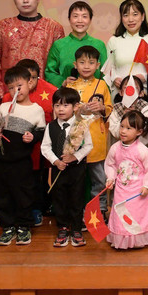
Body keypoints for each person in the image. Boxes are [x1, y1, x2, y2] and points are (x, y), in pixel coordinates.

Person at [0, 66, 46, 246]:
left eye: (20, 85)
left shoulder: (36, 110)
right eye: (12, 87)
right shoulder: (4, 107)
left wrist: (33, 137)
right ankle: (7, 226)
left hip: (21, 161)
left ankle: (23, 226)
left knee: (23, 193)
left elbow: (41, 132)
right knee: (1, 192)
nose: (16, 90)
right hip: (0, 160)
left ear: (30, 83)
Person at [0, 0, 64, 99]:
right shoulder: (2, 27)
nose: (25, 0)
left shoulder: (53, 28)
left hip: (44, 96)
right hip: (10, 95)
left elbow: (59, 65)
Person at [1, 58, 56, 226]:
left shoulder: (51, 92)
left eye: (32, 77)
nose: (28, 81)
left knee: (38, 180)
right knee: (18, 181)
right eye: (25, 77)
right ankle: (15, 210)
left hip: (39, 147)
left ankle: (39, 208)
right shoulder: (7, 99)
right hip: (15, 151)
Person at [41, 87, 92, 248]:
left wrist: (74, 157)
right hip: (58, 169)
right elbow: (45, 147)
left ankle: (76, 228)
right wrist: (56, 161)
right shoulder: (51, 126)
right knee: (59, 198)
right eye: (57, 105)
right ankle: (62, 227)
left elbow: (88, 146)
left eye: (65, 105)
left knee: (76, 198)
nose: (60, 109)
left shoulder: (81, 125)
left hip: (76, 170)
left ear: (76, 106)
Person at [105, 110, 148, 250]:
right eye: (122, 126)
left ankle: (136, 240)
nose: (123, 131)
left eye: (129, 128)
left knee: (136, 216)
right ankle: (121, 239)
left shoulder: (143, 151)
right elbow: (110, 164)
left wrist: (147, 186)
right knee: (120, 214)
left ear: (139, 132)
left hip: (137, 191)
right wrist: (110, 178)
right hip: (121, 190)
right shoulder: (115, 148)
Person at [68, 45, 113, 218]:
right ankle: (76, 210)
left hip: (97, 139)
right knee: (77, 179)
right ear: (75, 64)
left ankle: (100, 209)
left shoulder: (102, 85)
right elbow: (63, 110)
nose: (86, 66)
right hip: (76, 139)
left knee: (99, 179)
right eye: (82, 62)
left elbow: (109, 110)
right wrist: (77, 108)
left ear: (98, 65)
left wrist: (101, 107)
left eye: (91, 62)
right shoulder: (71, 85)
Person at [45, 1, 107, 88]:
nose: (80, 20)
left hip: (93, 97)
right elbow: (49, 72)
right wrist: (63, 82)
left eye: (84, 16)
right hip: (67, 96)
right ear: (69, 19)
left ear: (90, 20)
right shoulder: (58, 45)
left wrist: (101, 96)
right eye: (75, 16)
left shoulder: (99, 45)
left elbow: (105, 74)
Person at [103, 0, 148, 92]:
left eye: (135, 14)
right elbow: (109, 67)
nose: (130, 19)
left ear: (142, 16)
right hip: (120, 93)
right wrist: (115, 78)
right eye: (125, 15)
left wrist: (144, 77)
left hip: (144, 92)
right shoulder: (113, 41)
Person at [108, 75, 148, 150]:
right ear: (120, 92)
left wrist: (136, 117)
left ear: (141, 93)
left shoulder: (144, 107)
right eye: (126, 87)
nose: (130, 90)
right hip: (121, 148)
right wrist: (123, 120)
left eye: (135, 88)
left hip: (140, 148)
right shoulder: (117, 108)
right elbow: (114, 132)